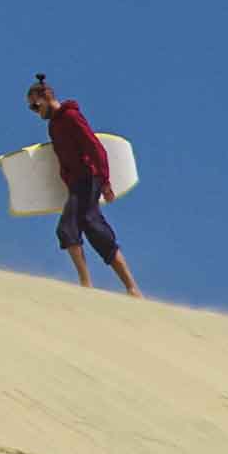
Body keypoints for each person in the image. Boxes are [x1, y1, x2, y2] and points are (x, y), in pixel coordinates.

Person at [27, 74, 139, 295]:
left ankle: (87, 284)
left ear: (47, 96)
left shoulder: (71, 116)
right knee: (95, 230)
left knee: (67, 228)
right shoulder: (54, 126)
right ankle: (132, 288)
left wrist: (105, 181)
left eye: (35, 105)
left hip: (89, 179)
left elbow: (95, 147)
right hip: (77, 184)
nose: (35, 111)